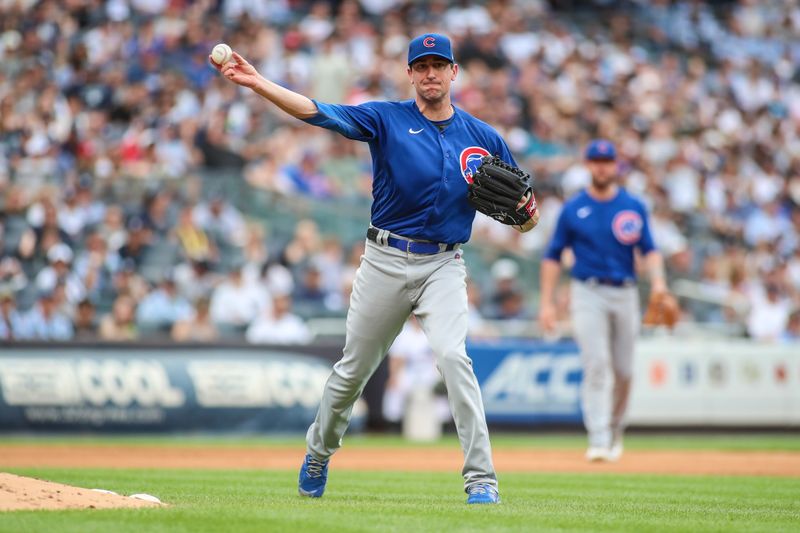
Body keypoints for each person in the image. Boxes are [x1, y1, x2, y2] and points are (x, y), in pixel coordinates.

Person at [213, 32, 534, 504]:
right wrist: (259, 82)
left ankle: (480, 478)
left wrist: (527, 216)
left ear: (453, 72)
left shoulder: (485, 138)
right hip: (384, 259)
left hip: (445, 262)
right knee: (352, 372)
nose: (430, 73)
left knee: (453, 358)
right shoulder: (386, 118)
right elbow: (318, 111)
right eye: (421, 66)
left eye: (438, 65)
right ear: (410, 74)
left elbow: (525, 214)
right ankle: (318, 452)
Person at [539, 139, 668, 463]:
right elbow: (552, 256)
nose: (601, 166)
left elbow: (649, 249)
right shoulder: (573, 208)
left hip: (625, 291)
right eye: (596, 161)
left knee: (624, 371)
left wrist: (658, 283)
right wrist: (547, 303)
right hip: (587, 291)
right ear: (588, 165)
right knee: (596, 364)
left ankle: (614, 428)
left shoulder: (633, 206)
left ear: (615, 166)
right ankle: (597, 437)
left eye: (607, 161)